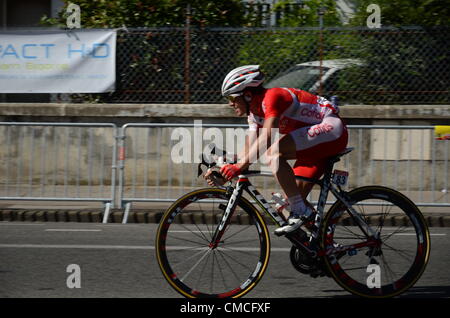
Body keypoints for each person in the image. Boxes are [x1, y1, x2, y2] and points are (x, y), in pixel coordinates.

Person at [204, 65, 348, 236]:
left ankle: (301, 212)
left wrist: (238, 166)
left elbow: (267, 138)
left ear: (247, 94)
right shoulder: (254, 115)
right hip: (313, 146)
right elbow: (247, 153)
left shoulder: (272, 97)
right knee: (286, 204)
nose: (230, 103)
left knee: (274, 152)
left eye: (232, 97)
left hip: (331, 130)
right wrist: (226, 169)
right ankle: (324, 246)